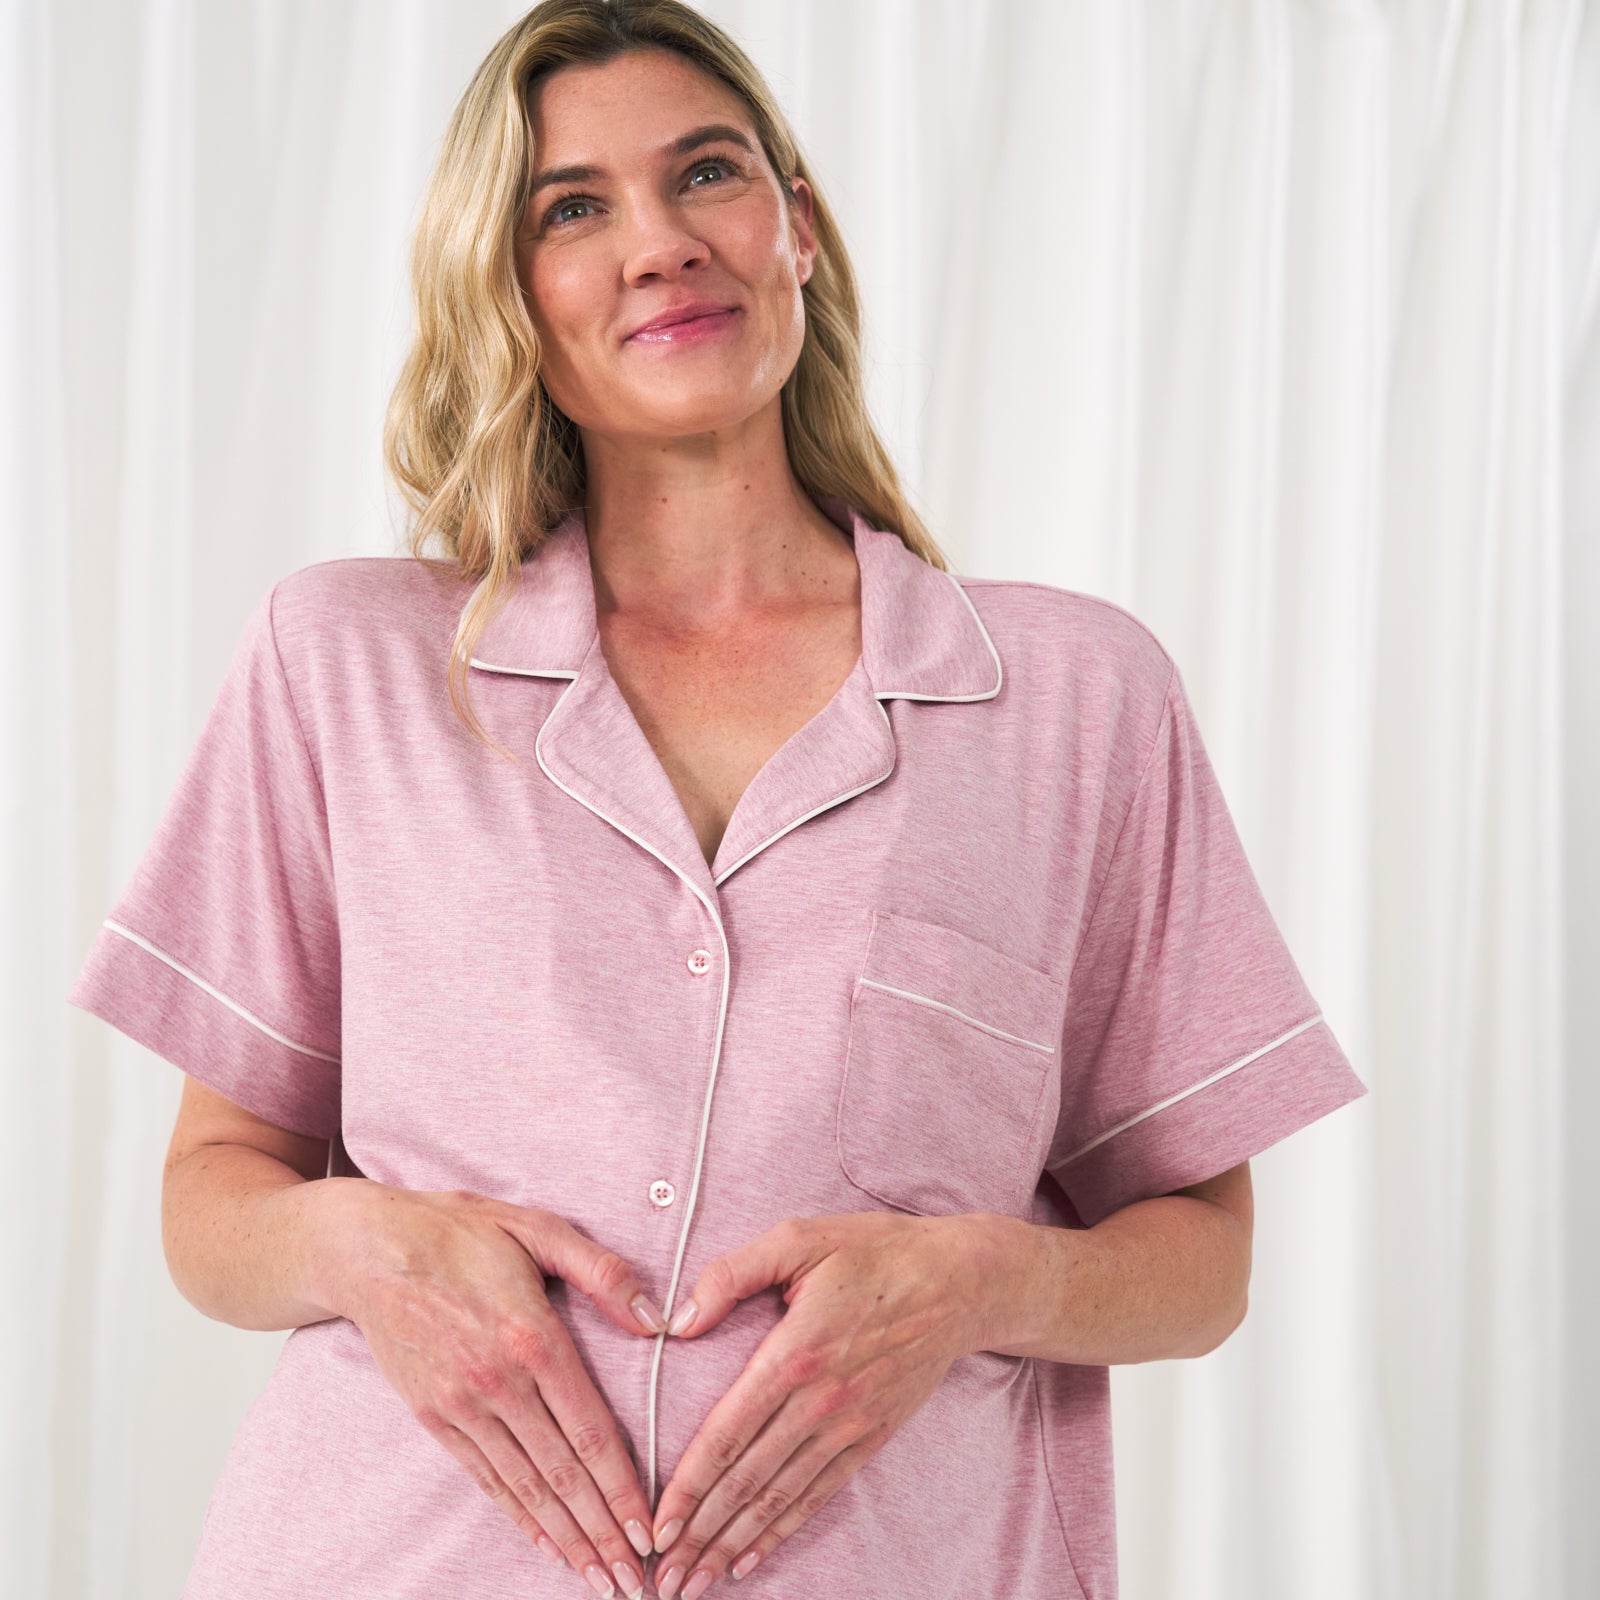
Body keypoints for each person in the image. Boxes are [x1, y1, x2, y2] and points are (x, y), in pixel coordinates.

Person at [66, 3, 1369, 1597]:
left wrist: (972, 1281)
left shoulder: (1072, 698)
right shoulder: (347, 661)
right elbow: (213, 1201)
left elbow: (1200, 1264)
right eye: (575, 207)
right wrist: (369, 1247)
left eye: (708, 175)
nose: (661, 243)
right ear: (510, 286)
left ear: (795, 229)